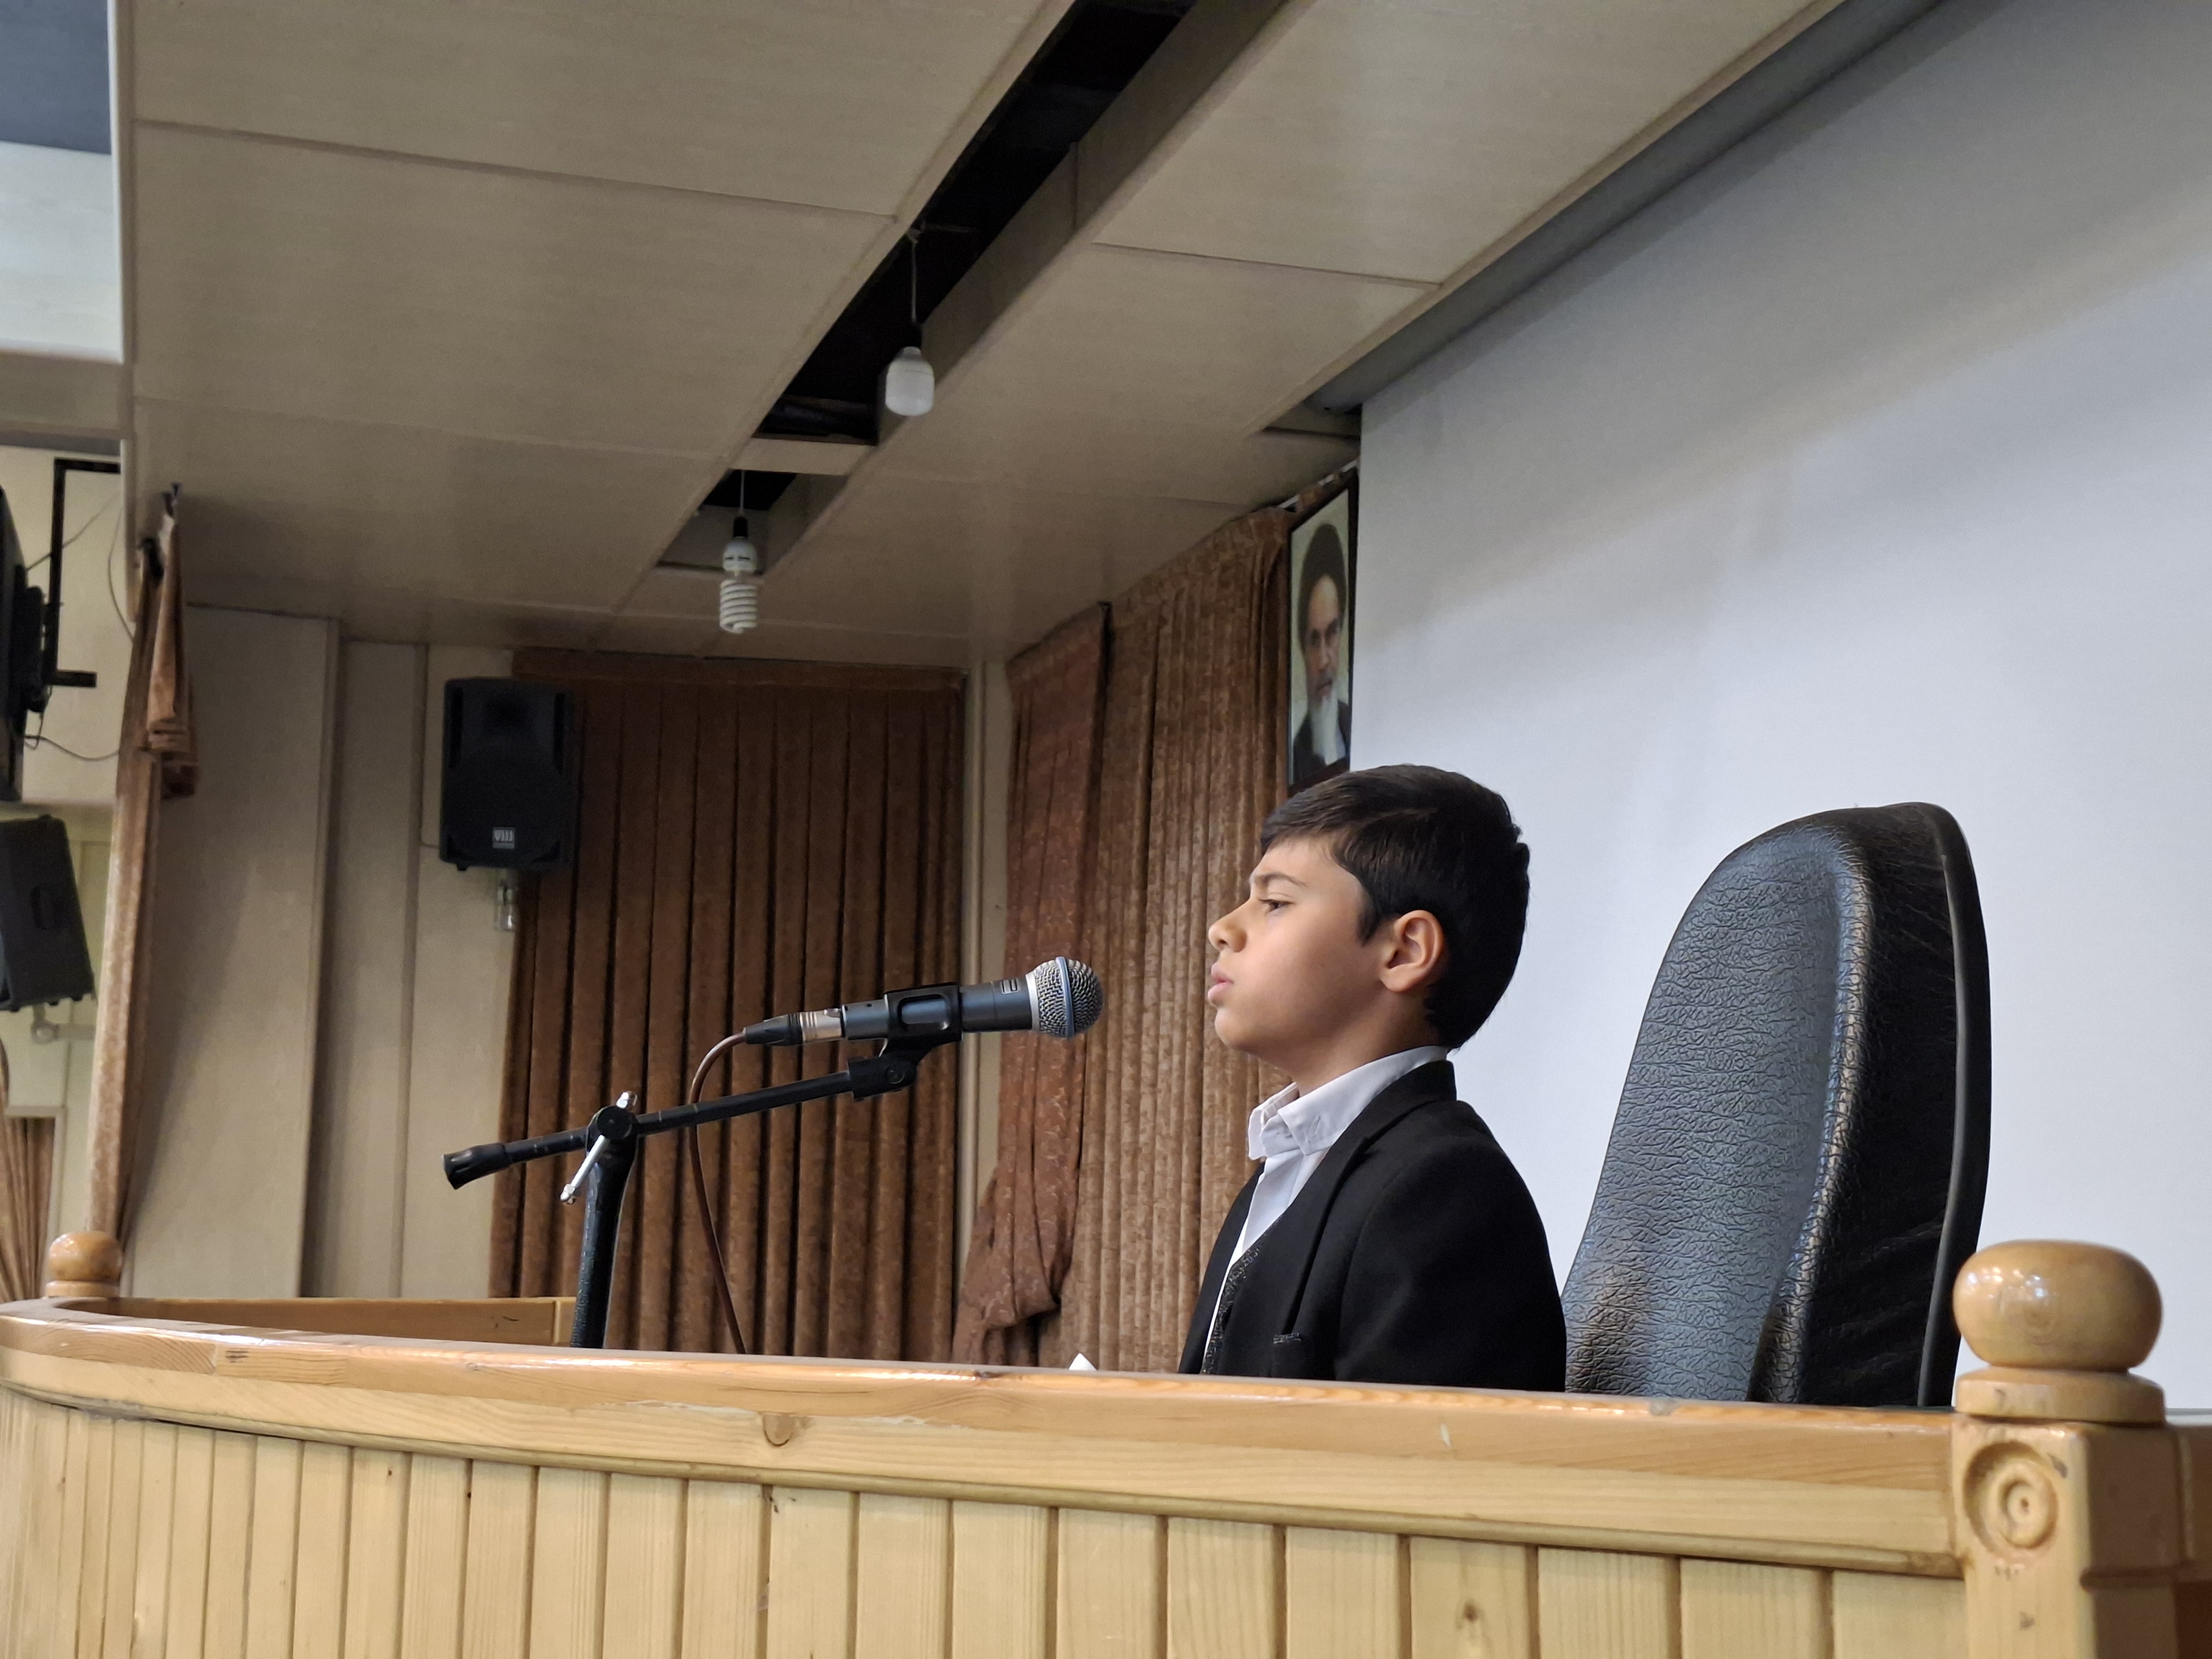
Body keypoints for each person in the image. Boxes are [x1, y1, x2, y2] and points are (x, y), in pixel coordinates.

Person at [1180, 765, 1564, 1389]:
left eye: (1274, 903)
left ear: (1405, 951)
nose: (1222, 929)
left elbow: (1416, 1450)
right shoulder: (1285, 1172)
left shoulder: (1441, 1190)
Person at [1290, 524, 1350, 786]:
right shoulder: (1297, 756)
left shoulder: (1355, 724)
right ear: (1303, 648)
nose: (1324, 661)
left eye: (1332, 633)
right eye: (1314, 640)